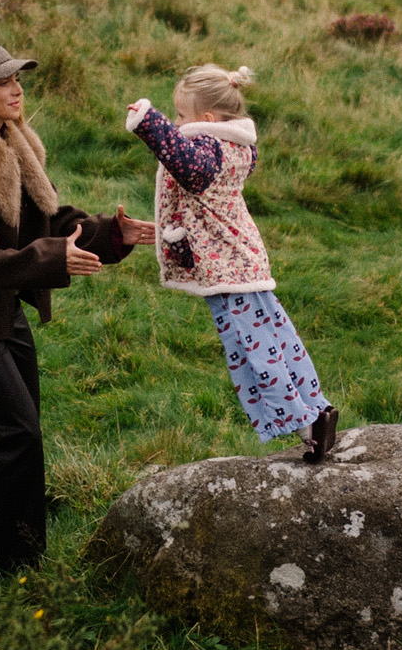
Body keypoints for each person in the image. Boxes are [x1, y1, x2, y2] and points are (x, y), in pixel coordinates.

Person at [0, 40, 154, 578]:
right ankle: (7, 564)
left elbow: (50, 219)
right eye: (4, 82)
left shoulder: (14, 141)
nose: (17, 89)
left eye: (18, 79)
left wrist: (112, 235)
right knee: (14, 431)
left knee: (9, 418)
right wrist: (53, 258)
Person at [124, 63, 338, 462]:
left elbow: (187, 166)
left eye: (181, 116)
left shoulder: (211, 152)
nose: (176, 123)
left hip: (226, 270)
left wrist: (149, 122)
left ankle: (306, 424)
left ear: (207, 120)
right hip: (243, 262)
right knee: (277, 337)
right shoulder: (235, 147)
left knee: (252, 350)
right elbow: (201, 200)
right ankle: (317, 406)